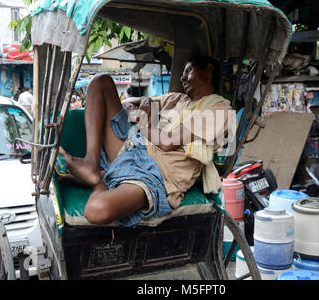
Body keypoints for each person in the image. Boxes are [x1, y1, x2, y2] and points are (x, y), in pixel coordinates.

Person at [59, 55, 236, 227]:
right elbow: (129, 101)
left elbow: (167, 142)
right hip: (135, 147)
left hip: (158, 172)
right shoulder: (179, 99)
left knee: (96, 210)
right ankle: (92, 163)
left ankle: (99, 180)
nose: (182, 77)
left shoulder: (219, 110)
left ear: (209, 70)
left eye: (188, 70)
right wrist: (142, 103)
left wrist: (142, 121)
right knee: (100, 81)